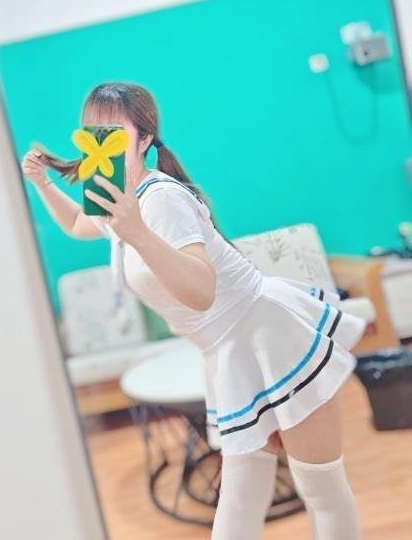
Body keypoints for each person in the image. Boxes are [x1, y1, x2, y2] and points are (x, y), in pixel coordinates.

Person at [22, 81, 365, 540]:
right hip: (227, 354)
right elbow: (77, 224)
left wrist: (139, 233)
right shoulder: (114, 197)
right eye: (94, 131)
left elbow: (201, 290)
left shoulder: (161, 199)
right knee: (240, 499)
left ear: (144, 139)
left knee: (320, 488)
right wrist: (43, 183)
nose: (102, 142)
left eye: (114, 132)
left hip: (269, 337)